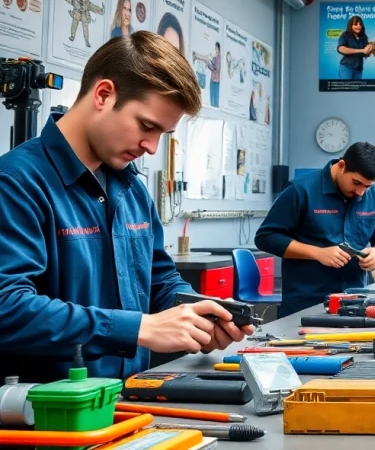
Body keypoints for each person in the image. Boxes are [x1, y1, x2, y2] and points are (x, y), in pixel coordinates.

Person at [0, 32, 252, 384]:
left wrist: (198, 313)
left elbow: (159, 281)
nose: (151, 147)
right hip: (49, 419)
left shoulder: (130, 187)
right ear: (103, 95)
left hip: (130, 404)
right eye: (147, 126)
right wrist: (138, 328)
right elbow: (7, 308)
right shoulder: (16, 183)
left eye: (163, 133)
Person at [255, 142, 375, 317]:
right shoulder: (301, 190)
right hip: (306, 303)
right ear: (342, 165)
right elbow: (266, 237)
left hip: (354, 301)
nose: (360, 192)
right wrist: (317, 253)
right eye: (356, 183)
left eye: (367, 186)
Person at [336, 15, 374, 80]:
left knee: (356, 89)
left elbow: (366, 54)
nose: (358, 26)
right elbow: (341, 49)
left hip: (358, 70)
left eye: (360, 24)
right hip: (346, 68)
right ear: (351, 26)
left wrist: (370, 50)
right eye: (355, 24)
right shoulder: (345, 35)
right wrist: (362, 50)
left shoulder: (363, 37)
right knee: (347, 89)